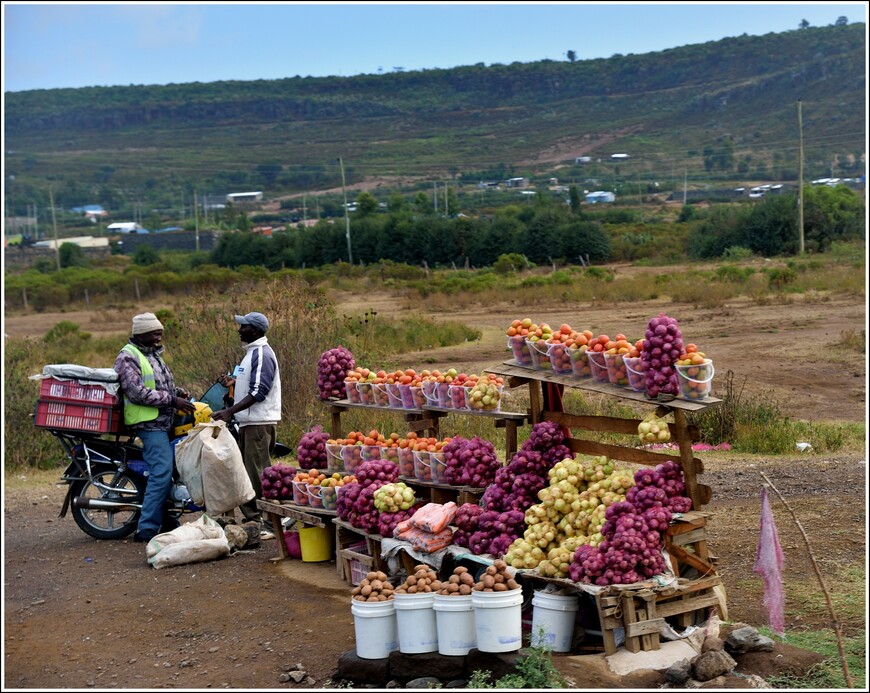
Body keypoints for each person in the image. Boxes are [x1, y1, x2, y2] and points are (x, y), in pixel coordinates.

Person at [114, 312, 195, 543]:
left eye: (160, 332)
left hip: (163, 422)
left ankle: (168, 522)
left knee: (172, 470)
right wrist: (172, 400)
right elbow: (137, 392)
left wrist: (178, 393)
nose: (159, 337)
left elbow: (161, 384)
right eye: (155, 333)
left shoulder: (153, 355)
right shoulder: (127, 357)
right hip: (148, 424)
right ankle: (146, 530)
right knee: (161, 473)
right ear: (141, 333)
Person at [212, 312, 281, 538]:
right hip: (249, 422)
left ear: (256, 330)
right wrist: (234, 383)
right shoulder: (251, 354)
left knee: (257, 472)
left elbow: (259, 391)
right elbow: (250, 384)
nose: (239, 330)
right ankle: (254, 518)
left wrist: (229, 411)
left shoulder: (262, 354)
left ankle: (269, 522)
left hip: (259, 423)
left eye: (244, 326)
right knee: (248, 471)